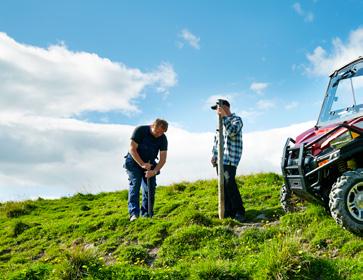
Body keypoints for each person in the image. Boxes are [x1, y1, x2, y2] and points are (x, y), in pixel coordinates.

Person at [124, 119, 168, 221]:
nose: (159, 134)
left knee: (150, 189)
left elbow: (163, 159)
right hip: (134, 162)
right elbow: (132, 149)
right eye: (157, 131)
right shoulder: (140, 130)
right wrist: (142, 164)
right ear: (152, 126)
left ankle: (147, 215)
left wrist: (154, 171)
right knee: (135, 185)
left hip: (150, 163)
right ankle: (134, 214)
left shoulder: (163, 138)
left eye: (162, 132)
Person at [211, 99, 246, 222]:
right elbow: (216, 141)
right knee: (223, 185)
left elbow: (232, 132)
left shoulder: (236, 120)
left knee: (229, 183)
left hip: (230, 158)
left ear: (224, 107)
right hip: (220, 160)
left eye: (217, 108)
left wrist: (224, 117)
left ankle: (239, 211)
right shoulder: (220, 123)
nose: (216, 111)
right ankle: (228, 212)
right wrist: (214, 155)